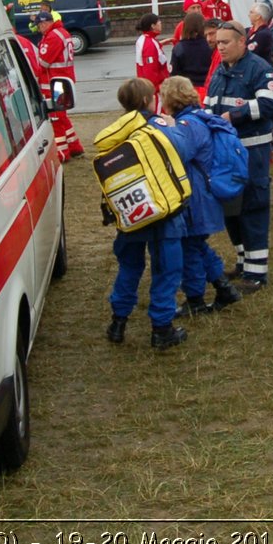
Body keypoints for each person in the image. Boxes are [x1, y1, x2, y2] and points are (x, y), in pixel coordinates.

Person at [101, 79, 187, 350]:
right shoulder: (158, 126)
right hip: (163, 210)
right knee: (166, 269)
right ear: (150, 99)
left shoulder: (115, 135)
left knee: (129, 267)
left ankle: (118, 321)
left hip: (131, 212)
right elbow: (182, 151)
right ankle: (162, 328)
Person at [156, 76, 243, 316]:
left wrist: (168, 128)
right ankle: (223, 288)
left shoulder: (187, 125)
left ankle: (195, 299)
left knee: (189, 248)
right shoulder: (199, 118)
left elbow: (180, 152)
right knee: (196, 245)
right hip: (203, 194)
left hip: (195, 197)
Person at [205, 20, 273, 290]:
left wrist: (234, 116)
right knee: (230, 207)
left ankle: (257, 272)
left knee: (253, 206)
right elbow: (209, 104)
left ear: (241, 42)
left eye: (225, 42)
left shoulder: (259, 69)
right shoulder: (220, 70)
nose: (219, 46)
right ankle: (242, 259)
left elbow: (271, 102)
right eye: (217, 41)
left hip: (252, 152)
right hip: (224, 153)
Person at [37, 8, 83, 159]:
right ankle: (74, 146)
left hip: (55, 82)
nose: (39, 30)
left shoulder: (53, 36)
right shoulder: (62, 32)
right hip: (63, 80)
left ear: (45, 23)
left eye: (39, 26)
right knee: (62, 116)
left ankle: (62, 152)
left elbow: (43, 63)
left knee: (56, 117)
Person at [170, 10, 212, 88]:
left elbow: (174, 73)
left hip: (187, 88)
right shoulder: (210, 45)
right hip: (208, 87)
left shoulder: (179, 47)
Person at [134, 12, 169, 90]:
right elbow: (150, 71)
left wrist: (160, 44)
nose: (161, 24)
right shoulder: (149, 43)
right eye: (159, 22)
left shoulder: (144, 39)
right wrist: (157, 88)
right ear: (153, 26)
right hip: (155, 91)